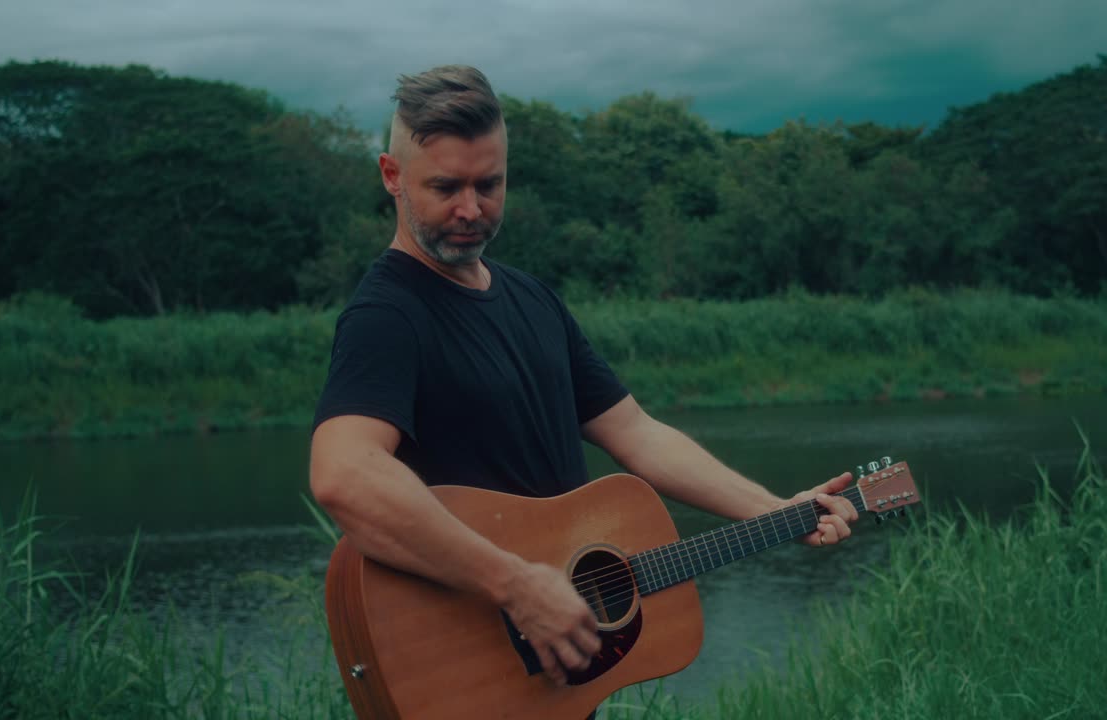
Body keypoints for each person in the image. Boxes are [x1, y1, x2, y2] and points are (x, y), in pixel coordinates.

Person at [308, 64, 859, 703]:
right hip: (462, 680)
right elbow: (343, 474)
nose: (470, 209)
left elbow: (636, 435)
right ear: (392, 176)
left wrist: (775, 511)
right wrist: (515, 585)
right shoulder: (388, 314)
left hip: (545, 683)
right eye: (445, 186)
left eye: (489, 184)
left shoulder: (533, 300)